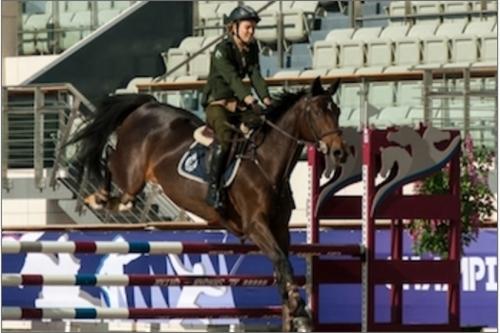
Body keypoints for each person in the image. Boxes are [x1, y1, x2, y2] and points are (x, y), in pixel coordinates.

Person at [201, 4, 273, 211]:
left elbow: (256, 74)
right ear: (234, 28)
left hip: (238, 105)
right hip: (218, 105)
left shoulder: (252, 49)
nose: (251, 32)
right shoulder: (221, 51)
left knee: (264, 127)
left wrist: (267, 100)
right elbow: (232, 78)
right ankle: (213, 190)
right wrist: (249, 99)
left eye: (253, 28)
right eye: (247, 28)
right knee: (224, 139)